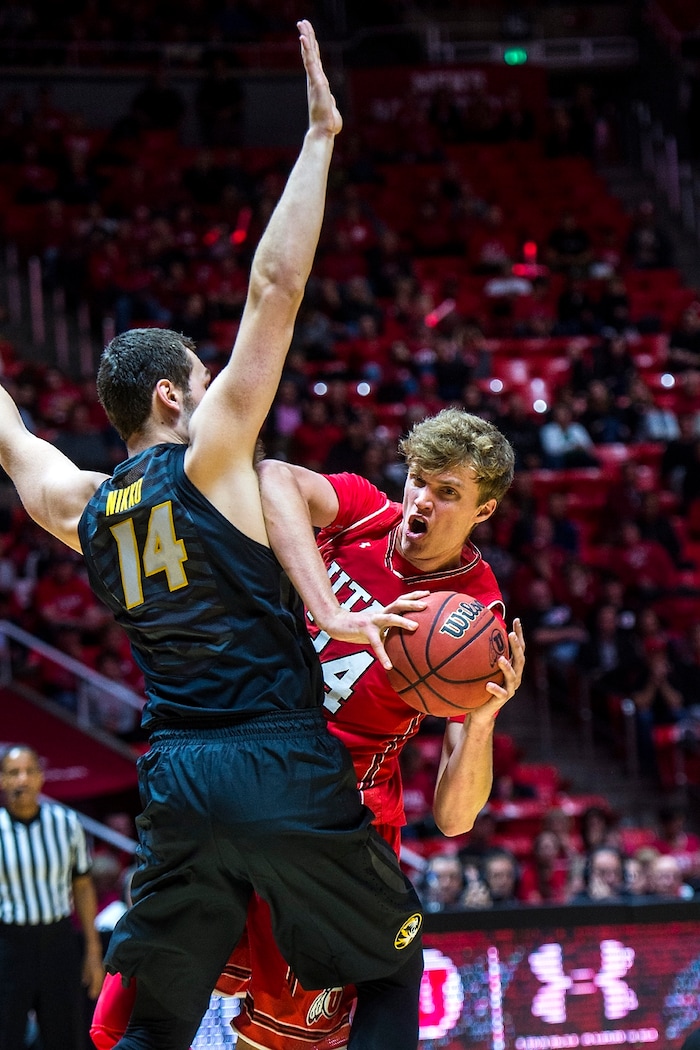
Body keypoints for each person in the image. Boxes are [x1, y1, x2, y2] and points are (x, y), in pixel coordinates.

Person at [0, 23, 426, 1050]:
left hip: (178, 781)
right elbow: (272, 291)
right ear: (171, 395)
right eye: (202, 385)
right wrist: (319, 137)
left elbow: (11, 438)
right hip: (278, 758)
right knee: (395, 961)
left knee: (164, 1007)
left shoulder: (82, 505)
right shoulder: (213, 461)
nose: (217, 394)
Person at [225, 407, 525, 1048]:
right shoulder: (366, 511)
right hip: (250, 770)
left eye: (449, 493)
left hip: (342, 816)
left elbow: (453, 820)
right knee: (168, 985)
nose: (423, 499)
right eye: (419, 479)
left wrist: (482, 718)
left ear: (484, 511)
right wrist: (330, 610)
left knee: (280, 1037)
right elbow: (273, 474)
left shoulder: (477, 613)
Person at [0, 744, 104, 1050]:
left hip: (57, 941)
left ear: (42, 777)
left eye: (29, 771)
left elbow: (83, 887)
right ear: (2, 780)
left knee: (66, 1035)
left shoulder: (66, 823)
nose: (23, 780)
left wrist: (93, 952)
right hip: (8, 945)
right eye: (14, 773)